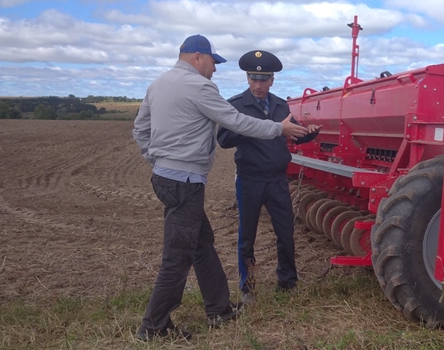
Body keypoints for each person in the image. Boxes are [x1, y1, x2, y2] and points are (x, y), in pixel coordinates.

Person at [132, 36, 308, 342]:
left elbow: (140, 130)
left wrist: (158, 160)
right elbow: (235, 121)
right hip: (184, 180)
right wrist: (278, 128)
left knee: (202, 243)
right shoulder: (199, 87)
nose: (214, 69)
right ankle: (154, 326)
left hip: (168, 177)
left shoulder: (158, 83)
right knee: (178, 255)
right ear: (198, 57)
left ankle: (219, 308)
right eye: (213, 62)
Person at [217, 50, 321, 305]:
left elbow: (292, 132)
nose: (258, 85)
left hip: (277, 180)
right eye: (253, 78)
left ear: (272, 80)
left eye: (263, 79)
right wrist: (251, 128)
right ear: (247, 79)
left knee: (285, 232)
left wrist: (309, 133)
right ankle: (247, 286)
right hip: (250, 179)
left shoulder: (280, 105)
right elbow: (223, 140)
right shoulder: (236, 106)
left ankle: (287, 281)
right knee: (247, 236)